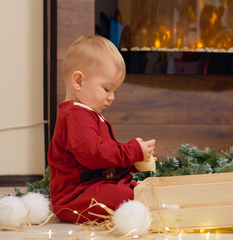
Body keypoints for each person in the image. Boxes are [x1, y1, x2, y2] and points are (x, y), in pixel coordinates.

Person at [48, 35, 156, 223]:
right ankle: (142, 204)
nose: (112, 97)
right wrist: (132, 151)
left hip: (92, 186)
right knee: (121, 195)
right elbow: (94, 153)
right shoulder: (75, 115)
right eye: (107, 89)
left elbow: (102, 161)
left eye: (114, 91)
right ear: (79, 81)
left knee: (130, 188)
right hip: (74, 197)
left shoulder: (87, 113)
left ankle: (141, 197)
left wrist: (133, 163)